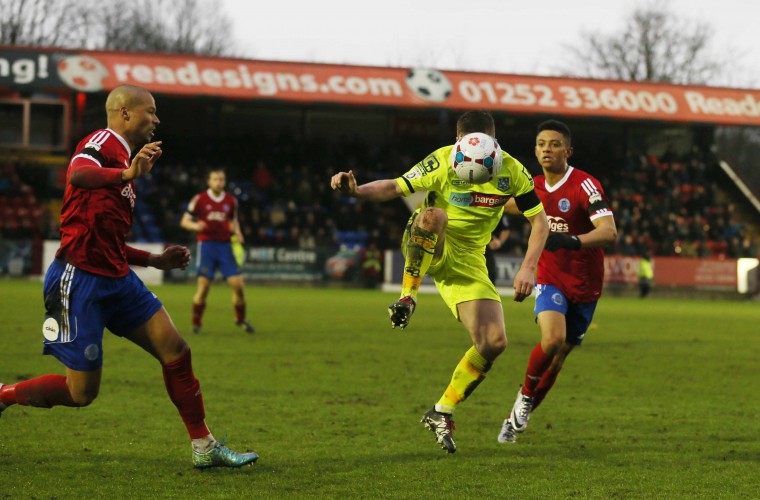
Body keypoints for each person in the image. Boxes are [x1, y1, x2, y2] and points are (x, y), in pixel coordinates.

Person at [0, 85, 258, 469]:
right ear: (123, 113)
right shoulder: (103, 143)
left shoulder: (124, 159)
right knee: (82, 393)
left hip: (116, 278)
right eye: (150, 111)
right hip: (78, 280)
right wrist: (126, 172)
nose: (156, 119)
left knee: (176, 350)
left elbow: (107, 240)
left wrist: (154, 260)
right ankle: (5, 394)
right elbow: (78, 173)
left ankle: (204, 446)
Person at [331, 110, 549, 453]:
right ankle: (407, 297)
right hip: (431, 240)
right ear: (458, 144)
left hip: (471, 260)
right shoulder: (442, 161)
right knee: (434, 213)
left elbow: (540, 221)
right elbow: (394, 186)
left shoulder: (513, 170)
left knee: (493, 342)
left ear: (496, 146)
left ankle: (441, 410)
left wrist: (528, 268)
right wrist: (357, 190)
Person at [497, 119, 617, 444]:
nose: (546, 149)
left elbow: (609, 231)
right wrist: (469, 202)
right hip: (550, 278)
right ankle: (524, 396)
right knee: (551, 340)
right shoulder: (531, 185)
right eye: (540, 144)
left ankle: (518, 416)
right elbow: (505, 206)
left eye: (553, 144)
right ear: (535, 150)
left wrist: (573, 241)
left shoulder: (585, 185)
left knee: (559, 356)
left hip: (586, 285)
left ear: (568, 150)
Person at [180, 168, 255, 334]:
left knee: (238, 286)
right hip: (207, 246)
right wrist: (195, 226)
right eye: (215, 179)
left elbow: (233, 221)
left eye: (221, 179)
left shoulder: (231, 201)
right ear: (209, 181)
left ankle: (240, 319)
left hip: (225, 246)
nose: (219, 182)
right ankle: (196, 323)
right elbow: (184, 221)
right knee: (204, 287)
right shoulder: (200, 199)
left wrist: (238, 233)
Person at [485, 214, 511, 284]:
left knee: (490, 272)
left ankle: (489, 292)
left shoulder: (499, 211)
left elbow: (505, 229)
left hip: (487, 248)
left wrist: (500, 241)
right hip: (471, 246)